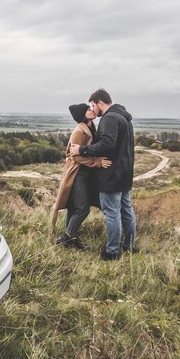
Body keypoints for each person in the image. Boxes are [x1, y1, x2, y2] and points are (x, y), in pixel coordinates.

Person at [70, 89, 137, 260]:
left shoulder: (109, 118)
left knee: (112, 212)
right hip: (125, 172)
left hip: (111, 174)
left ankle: (112, 251)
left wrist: (82, 149)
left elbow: (107, 145)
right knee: (126, 210)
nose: (93, 109)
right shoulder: (125, 118)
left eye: (93, 105)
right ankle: (130, 245)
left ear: (100, 103)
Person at [52, 103, 111, 250]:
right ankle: (67, 238)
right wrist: (97, 162)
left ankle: (70, 240)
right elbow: (75, 157)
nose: (91, 110)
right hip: (78, 173)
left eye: (90, 108)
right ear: (82, 115)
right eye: (88, 109)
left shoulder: (91, 126)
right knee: (82, 208)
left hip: (86, 173)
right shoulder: (79, 130)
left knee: (73, 207)